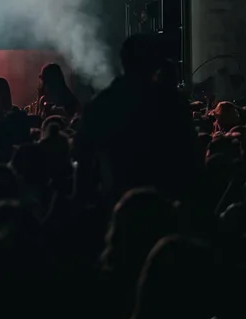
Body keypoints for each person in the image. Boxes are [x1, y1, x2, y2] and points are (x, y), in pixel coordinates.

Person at [74, 34, 200, 204]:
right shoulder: (172, 103)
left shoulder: (101, 105)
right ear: (155, 63)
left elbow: (83, 163)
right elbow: (190, 160)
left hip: (114, 203)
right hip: (165, 208)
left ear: (123, 61)